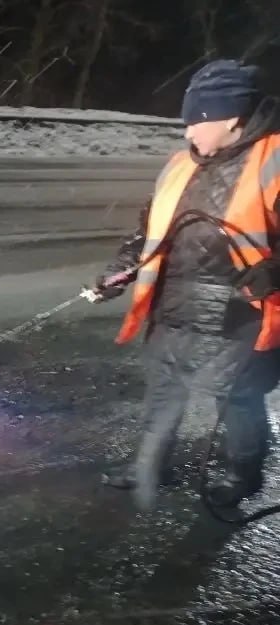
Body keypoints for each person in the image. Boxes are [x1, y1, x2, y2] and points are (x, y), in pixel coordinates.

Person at [88, 59, 280, 510]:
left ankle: (243, 473)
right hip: (173, 304)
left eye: (197, 121)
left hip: (241, 313)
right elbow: (148, 231)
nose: (188, 132)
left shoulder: (275, 159)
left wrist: (273, 271)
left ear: (230, 119)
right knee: (163, 389)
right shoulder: (179, 165)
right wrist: (124, 266)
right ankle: (149, 465)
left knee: (236, 400)